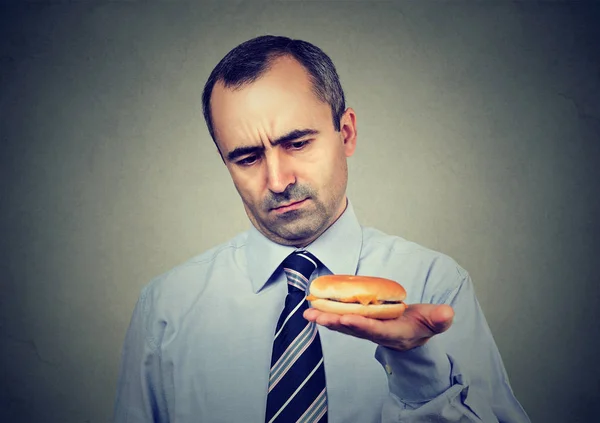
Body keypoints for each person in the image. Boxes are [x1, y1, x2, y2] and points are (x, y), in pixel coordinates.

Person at [113, 35, 531, 423]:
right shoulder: (166, 309)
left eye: (297, 143)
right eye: (247, 158)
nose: (278, 181)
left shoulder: (436, 285)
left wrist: (418, 366)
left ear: (345, 133)